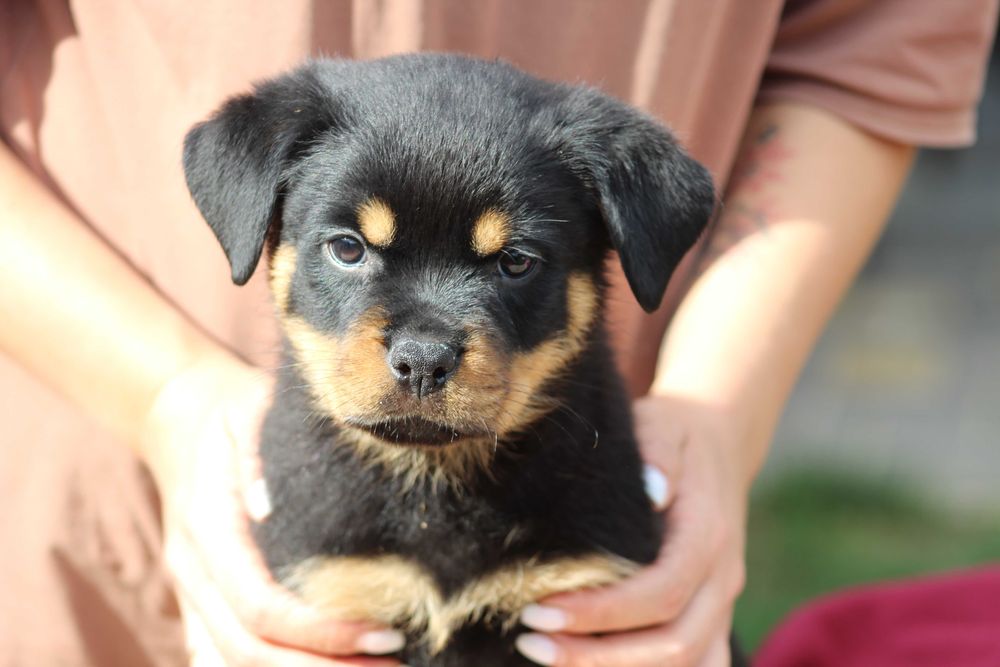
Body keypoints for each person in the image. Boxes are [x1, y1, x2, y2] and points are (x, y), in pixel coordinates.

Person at [0, 1, 996, 666]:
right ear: (261, 229)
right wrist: (164, 396)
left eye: (513, 262)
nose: (420, 347)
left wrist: (722, 411)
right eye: (349, 249)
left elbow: (876, 44)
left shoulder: (605, 510)